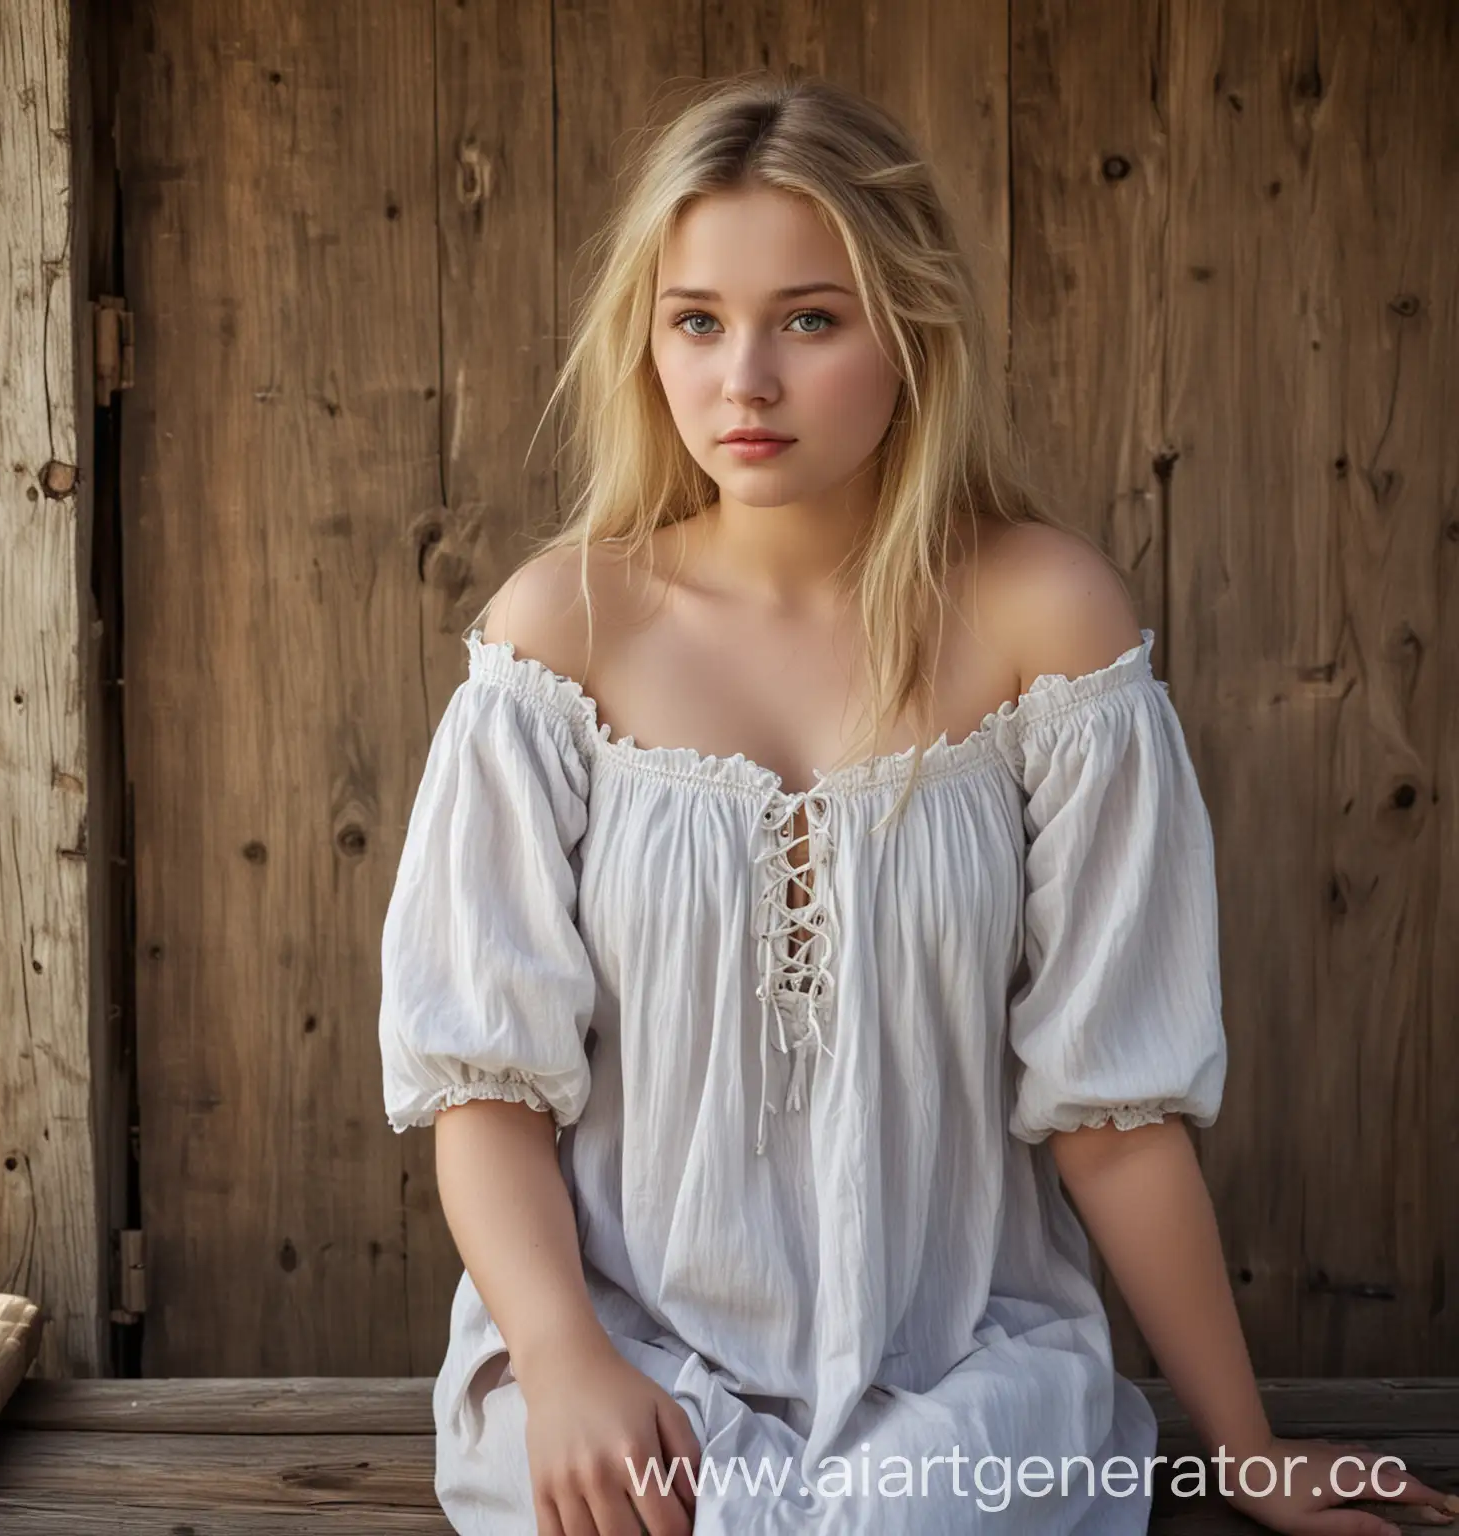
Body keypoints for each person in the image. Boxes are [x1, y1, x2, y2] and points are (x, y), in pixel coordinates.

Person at [377, 71, 1457, 1536]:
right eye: (697, 319)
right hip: (619, 1358)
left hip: (961, 1374)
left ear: (911, 328)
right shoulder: (561, 636)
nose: (741, 381)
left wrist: (1249, 1446)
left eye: (807, 320)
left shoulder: (1045, 624)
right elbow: (484, 1085)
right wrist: (562, 1360)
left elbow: (1113, 1109)